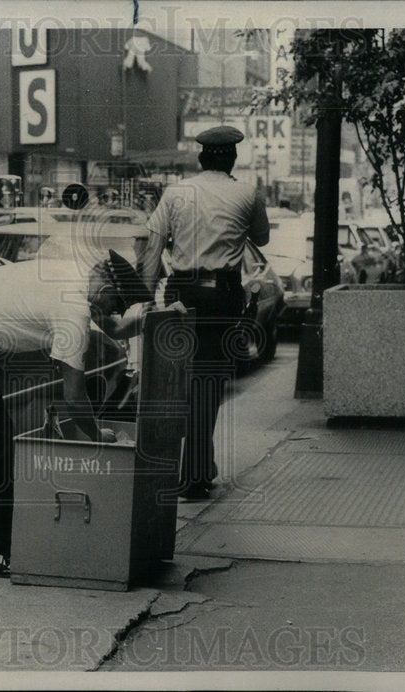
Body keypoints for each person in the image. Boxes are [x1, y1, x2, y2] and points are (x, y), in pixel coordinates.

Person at [0, 251, 167, 577]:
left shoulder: (79, 277)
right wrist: (97, 437)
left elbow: (113, 325)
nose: (110, 313)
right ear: (105, 285)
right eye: (113, 304)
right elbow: (74, 395)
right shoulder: (74, 311)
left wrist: (158, 316)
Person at [139, 125, 270, 500]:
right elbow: (261, 238)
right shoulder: (247, 193)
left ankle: (179, 466)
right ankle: (196, 471)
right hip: (222, 297)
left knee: (174, 381)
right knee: (207, 384)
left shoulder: (177, 192)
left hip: (180, 294)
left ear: (200, 158)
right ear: (231, 158)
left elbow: (152, 251)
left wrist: (146, 301)